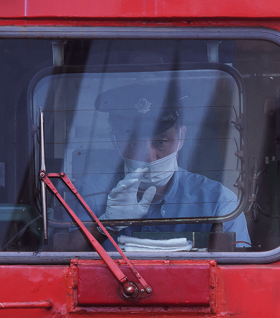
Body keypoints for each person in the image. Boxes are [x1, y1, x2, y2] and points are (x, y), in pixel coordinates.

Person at [75, 83, 250, 250]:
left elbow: (241, 273)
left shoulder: (220, 203)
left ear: (181, 137)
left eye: (160, 142)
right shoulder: (87, 195)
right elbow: (59, 256)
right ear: (115, 141)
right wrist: (106, 226)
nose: (149, 157)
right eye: (134, 144)